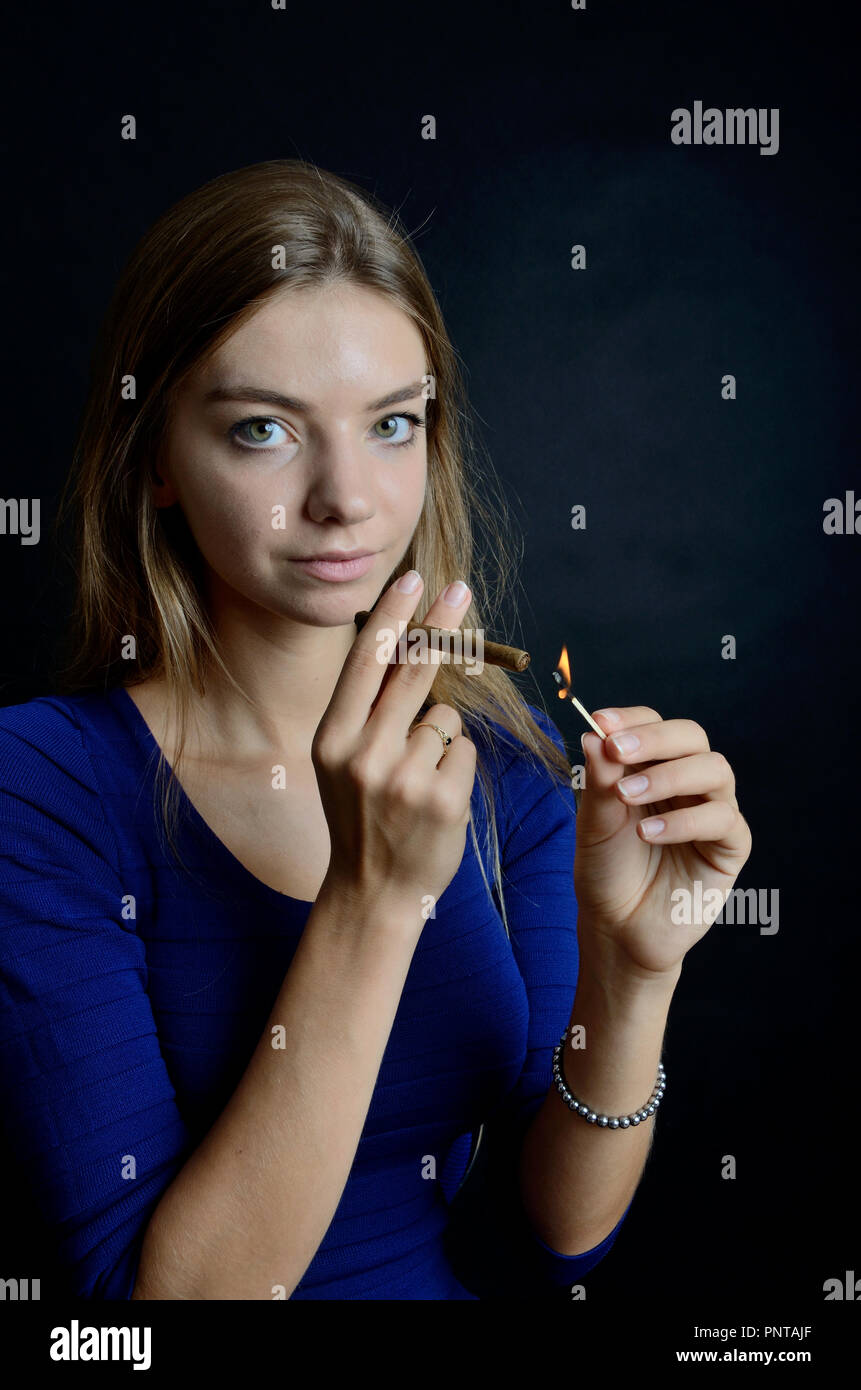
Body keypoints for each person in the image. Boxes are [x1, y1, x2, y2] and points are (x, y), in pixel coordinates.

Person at [0, 159, 751, 1300]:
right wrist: (373, 899)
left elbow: (558, 1236)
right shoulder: (39, 786)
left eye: (392, 423)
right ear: (154, 456)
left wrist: (633, 974)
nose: (347, 496)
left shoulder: (505, 781)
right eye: (263, 431)